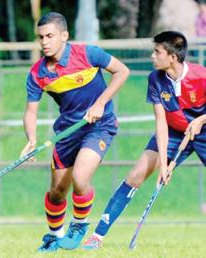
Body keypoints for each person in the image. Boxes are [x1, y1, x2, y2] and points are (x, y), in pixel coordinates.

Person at [83, 30, 206, 250]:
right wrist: (163, 164)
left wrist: (201, 120)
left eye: (157, 52)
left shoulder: (202, 75)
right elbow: (160, 122)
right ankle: (97, 236)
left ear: (173, 57)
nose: (152, 56)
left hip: (203, 130)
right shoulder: (155, 79)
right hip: (174, 133)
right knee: (135, 175)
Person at [21, 12, 129, 252]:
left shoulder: (88, 53)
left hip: (100, 126)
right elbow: (30, 112)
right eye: (41, 37)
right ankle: (54, 237)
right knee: (57, 191)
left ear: (64, 36)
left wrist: (100, 103)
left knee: (80, 177)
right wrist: (31, 138)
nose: (45, 42)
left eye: (50, 36)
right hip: (67, 132)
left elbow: (122, 71)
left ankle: (79, 224)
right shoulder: (38, 73)